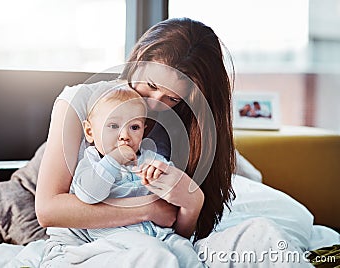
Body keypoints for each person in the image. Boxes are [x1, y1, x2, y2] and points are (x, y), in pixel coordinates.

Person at [36, 17, 311, 267]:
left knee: (263, 237)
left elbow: (177, 230)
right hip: (86, 248)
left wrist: (192, 202)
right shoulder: (80, 101)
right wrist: (148, 210)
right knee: (154, 258)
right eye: (151, 85)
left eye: (173, 98)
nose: (155, 104)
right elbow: (48, 210)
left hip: (164, 242)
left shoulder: (184, 124)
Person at [68, 86, 202, 267]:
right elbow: (89, 195)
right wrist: (113, 159)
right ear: (90, 132)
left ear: (143, 132)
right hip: (116, 236)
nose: (125, 136)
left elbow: (172, 183)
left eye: (134, 127)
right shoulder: (91, 163)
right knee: (155, 254)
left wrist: (160, 174)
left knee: (186, 251)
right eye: (113, 126)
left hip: (158, 232)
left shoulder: (148, 157)